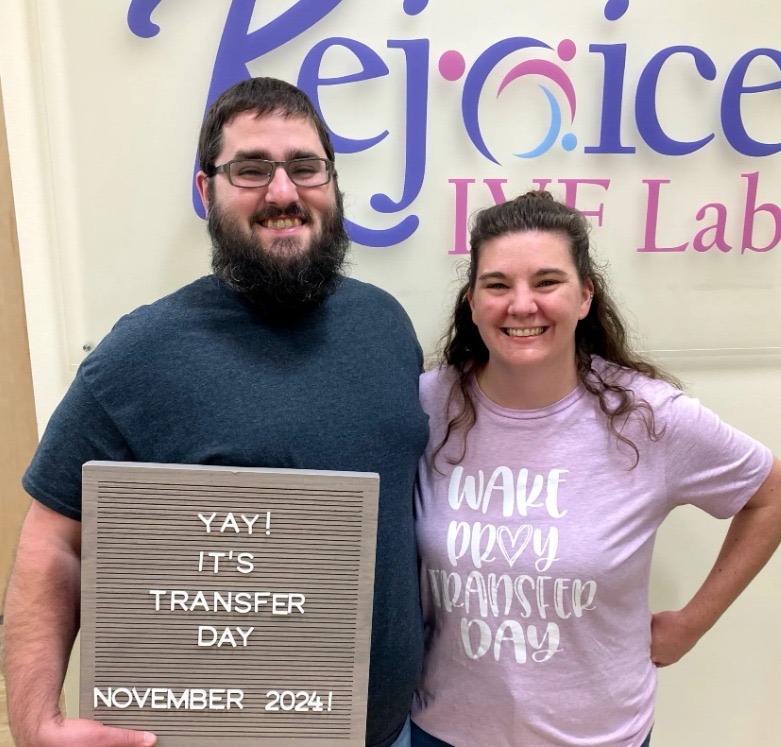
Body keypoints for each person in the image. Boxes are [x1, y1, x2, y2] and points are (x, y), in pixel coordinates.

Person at [3, 77, 428, 747]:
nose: (283, 192)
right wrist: (34, 722)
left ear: (332, 182)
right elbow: (53, 540)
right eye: (251, 169)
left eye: (306, 167)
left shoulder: (386, 327)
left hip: (390, 733)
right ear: (207, 190)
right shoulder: (140, 355)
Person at [409, 191, 781, 747]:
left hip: (597, 736)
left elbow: (770, 495)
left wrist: (692, 624)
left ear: (585, 295)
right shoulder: (428, 404)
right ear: (472, 301)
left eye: (547, 281)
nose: (521, 304)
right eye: (497, 285)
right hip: (442, 730)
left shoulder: (648, 418)